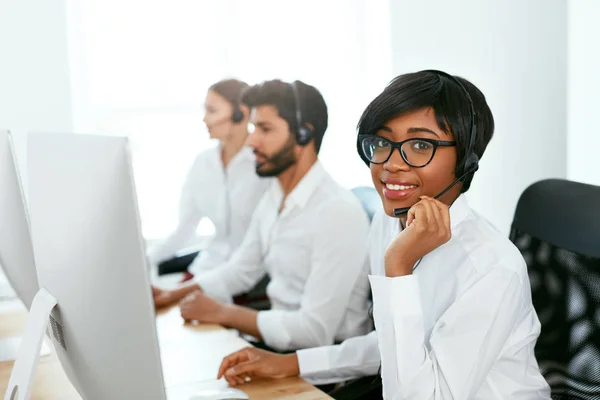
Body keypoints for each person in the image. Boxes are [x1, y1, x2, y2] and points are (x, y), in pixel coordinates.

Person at [215, 70, 552, 399]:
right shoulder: (389, 221)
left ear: (465, 160)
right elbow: (392, 343)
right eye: (381, 142)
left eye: (420, 144)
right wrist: (293, 364)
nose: (390, 163)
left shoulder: (491, 269)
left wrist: (398, 267)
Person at [155, 79, 372, 352]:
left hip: (323, 367)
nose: (252, 141)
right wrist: (172, 294)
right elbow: (241, 270)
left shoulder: (338, 212)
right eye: (253, 127)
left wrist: (224, 313)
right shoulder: (274, 196)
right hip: (277, 345)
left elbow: (314, 332)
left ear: (304, 135)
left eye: (265, 129)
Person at [147, 79, 271, 285]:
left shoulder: (265, 163)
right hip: (207, 269)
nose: (205, 119)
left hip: (250, 278)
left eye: (212, 111)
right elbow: (184, 229)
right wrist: (146, 260)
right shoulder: (203, 164)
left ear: (241, 112)